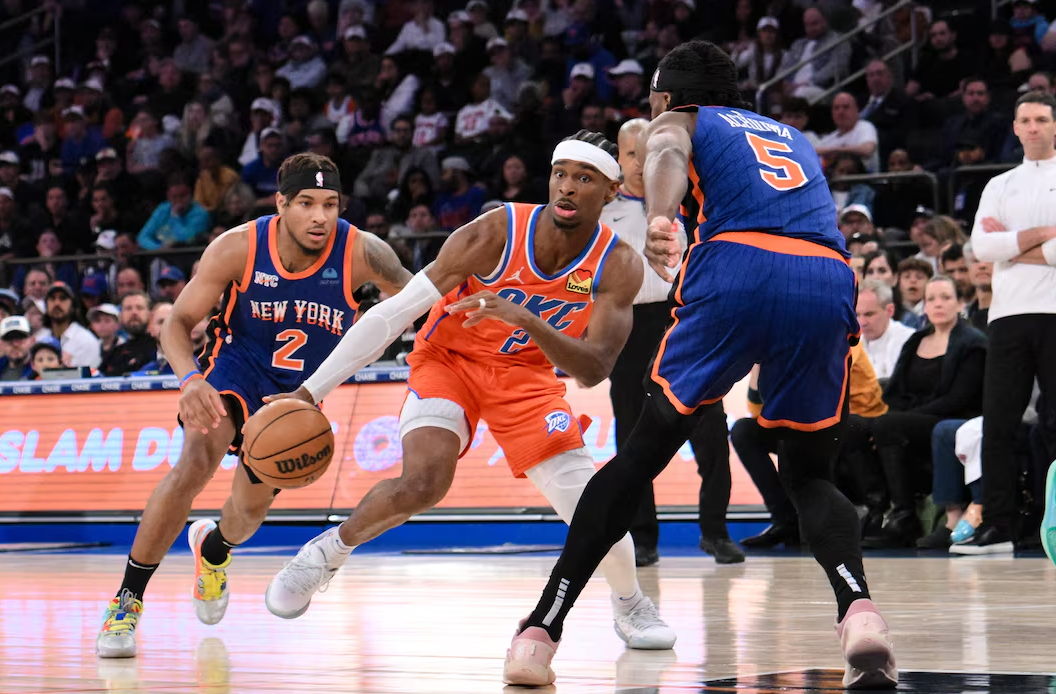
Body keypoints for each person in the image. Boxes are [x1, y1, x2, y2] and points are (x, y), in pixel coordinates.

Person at [502, 41, 897, 689]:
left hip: (739, 263)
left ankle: (541, 630)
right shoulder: (794, 137)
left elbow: (664, 152)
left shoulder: (680, 119)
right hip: (827, 277)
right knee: (808, 472)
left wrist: (659, 215)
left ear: (668, 95)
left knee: (640, 456)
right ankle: (860, 612)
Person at [261, 131, 676, 652]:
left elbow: (594, 371)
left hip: (526, 378)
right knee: (425, 481)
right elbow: (392, 313)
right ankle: (324, 554)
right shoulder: (496, 231)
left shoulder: (618, 264)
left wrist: (526, 319)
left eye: (584, 178)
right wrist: (309, 392)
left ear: (611, 191)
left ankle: (630, 602)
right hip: (448, 360)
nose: (567, 188)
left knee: (592, 503)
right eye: (560, 174)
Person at [94, 152, 413, 659]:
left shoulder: (362, 253)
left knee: (247, 513)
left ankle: (215, 549)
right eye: (306, 203)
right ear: (281, 203)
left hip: (299, 394)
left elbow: (421, 299)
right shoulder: (238, 247)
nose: (319, 216)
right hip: (233, 368)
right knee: (193, 465)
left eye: (330, 204)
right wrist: (189, 380)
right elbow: (175, 324)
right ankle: (127, 601)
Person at [601, 118, 741, 567]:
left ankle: (716, 532)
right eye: (631, 154)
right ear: (619, 161)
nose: (641, 163)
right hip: (629, 327)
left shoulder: (695, 207)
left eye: (649, 152)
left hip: (687, 323)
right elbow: (583, 284)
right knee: (634, 439)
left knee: (711, 431)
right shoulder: (603, 219)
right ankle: (642, 538)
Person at [968, 91, 1056, 555]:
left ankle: (1053, 519)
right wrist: (1044, 235)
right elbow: (982, 249)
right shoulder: (999, 184)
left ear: (1054, 125)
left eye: (1042, 118)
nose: (1034, 127)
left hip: (1055, 313)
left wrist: (1013, 246)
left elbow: (1000, 247)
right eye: (1026, 120)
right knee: (998, 422)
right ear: (1016, 128)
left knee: (1055, 421)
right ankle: (998, 523)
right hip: (1007, 314)